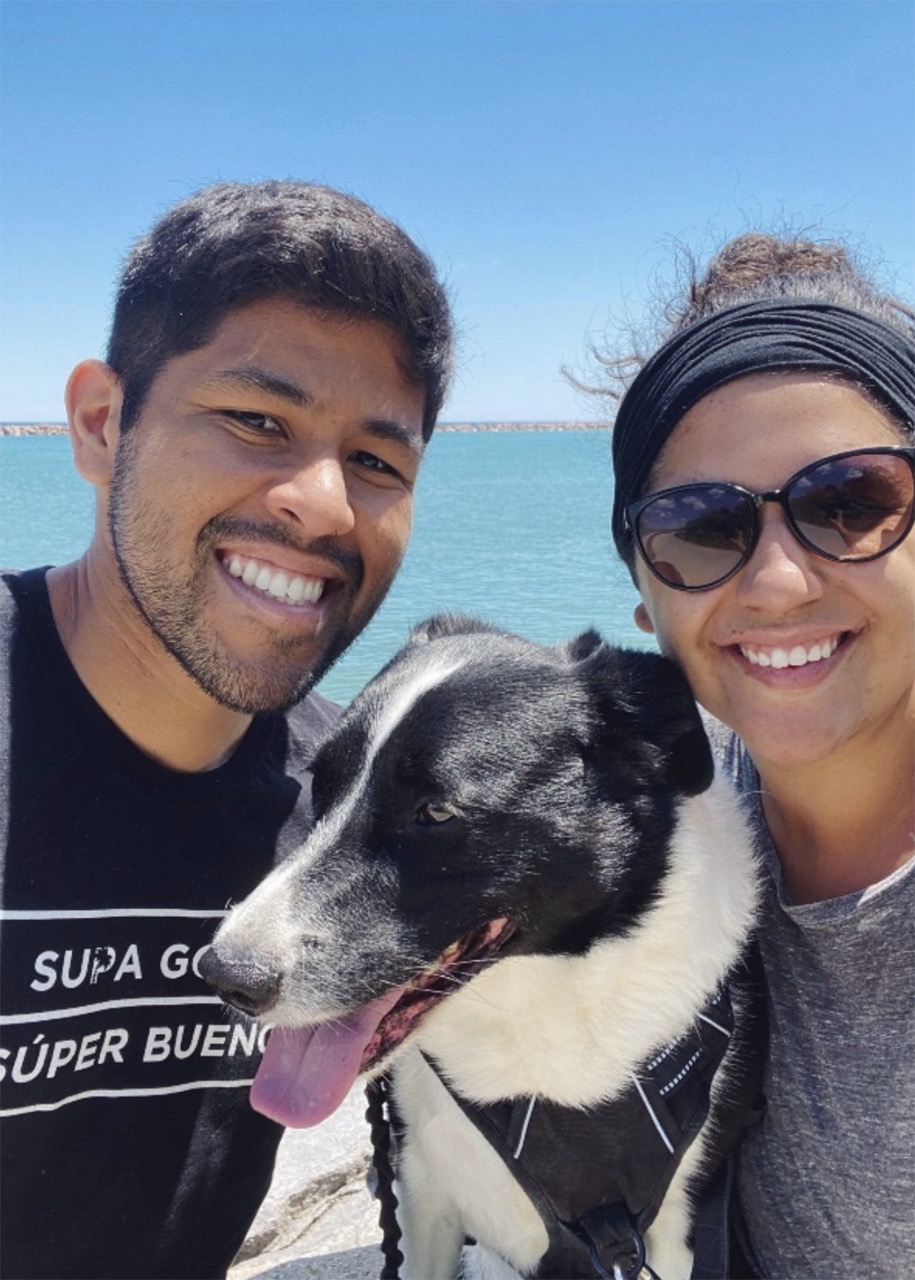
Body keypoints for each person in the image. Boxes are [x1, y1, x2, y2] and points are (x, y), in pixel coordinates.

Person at [0, 180, 453, 1279]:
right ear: (103, 423)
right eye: (258, 421)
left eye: (376, 461)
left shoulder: (352, 807)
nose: (323, 503)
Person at [603, 234, 914, 1277]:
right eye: (700, 526)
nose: (778, 583)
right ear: (648, 594)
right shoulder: (674, 810)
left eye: (853, 504)